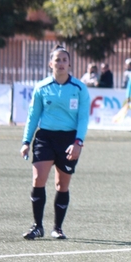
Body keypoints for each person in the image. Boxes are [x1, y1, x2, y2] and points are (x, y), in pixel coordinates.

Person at [20, 45, 91, 240]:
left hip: (69, 140)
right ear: (50, 63)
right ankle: (37, 226)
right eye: (57, 60)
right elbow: (33, 115)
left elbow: (83, 118)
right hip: (45, 138)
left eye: (64, 60)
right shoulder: (42, 87)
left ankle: (58, 228)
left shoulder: (79, 88)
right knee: (38, 179)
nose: (60, 63)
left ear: (69, 64)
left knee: (62, 184)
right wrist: (26, 141)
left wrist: (78, 142)